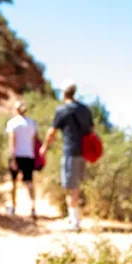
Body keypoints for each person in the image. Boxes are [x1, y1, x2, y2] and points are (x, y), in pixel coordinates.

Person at [40, 81, 93, 232]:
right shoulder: (85, 109)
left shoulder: (62, 110)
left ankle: (74, 222)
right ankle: (73, 218)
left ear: (64, 93)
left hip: (70, 152)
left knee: (71, 188)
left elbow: (52, 132)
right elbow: (91, 130)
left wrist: (44, 148)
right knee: (76, 186)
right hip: (84, 153)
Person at [5, 101, 38, 219]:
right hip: (29, 156)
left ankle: (12, 206)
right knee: (29, 182)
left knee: (13, 182)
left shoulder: (13, 123)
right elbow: (34, 141)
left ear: (16, 110)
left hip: (17, 156)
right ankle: (33, 207)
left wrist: (13, 158)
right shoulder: (32, 123)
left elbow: (12, 141)